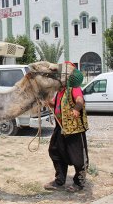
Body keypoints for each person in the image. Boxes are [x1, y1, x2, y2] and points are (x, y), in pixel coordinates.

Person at [44, 62, 89, 192]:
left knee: (78, 158)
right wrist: (49, 103)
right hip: (60, 127)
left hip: (74, 129)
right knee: (55, 152)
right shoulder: (61, 91)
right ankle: (59, 181)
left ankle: (78, 183)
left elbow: (79, 100)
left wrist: (76, 109)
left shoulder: (74, 88)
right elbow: (56, 105)